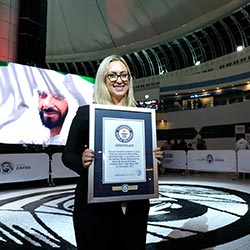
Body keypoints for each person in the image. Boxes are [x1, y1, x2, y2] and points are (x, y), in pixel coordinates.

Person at [61, 55, 163, 250]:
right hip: (94, 207)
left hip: (135, 205)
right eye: (112, 75)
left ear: (130, 79)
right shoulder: (87, 113)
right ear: (103, 79)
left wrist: (154, 158)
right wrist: (82, 162)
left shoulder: (141, 115)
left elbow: (146, 160)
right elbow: (68, 155)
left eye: (124, 75)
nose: (119, 80)